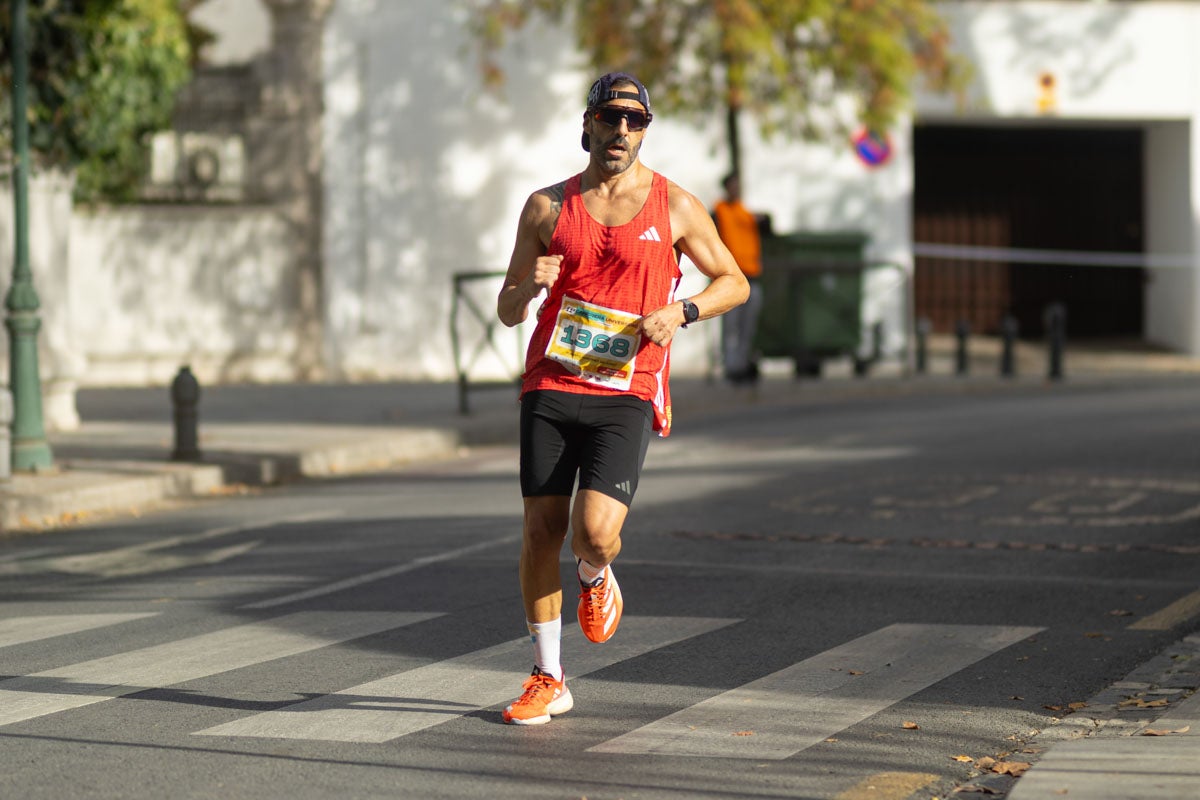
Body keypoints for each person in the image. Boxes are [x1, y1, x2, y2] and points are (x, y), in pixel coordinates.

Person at [495, 72, 749, 725]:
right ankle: (548, 676)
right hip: (552, 380)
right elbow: (507, 308)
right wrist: (528, 287)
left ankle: (595, 573)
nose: (623, 130)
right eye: (611, 117)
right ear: (589, 125)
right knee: (540, 531)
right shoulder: (546, 207)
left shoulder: (676, 206)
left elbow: (734, 282)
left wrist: (682, 310)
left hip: (626, 387)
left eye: (637, 121)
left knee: (594, 534)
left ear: (644, 131)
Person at [712, 172, 764, 384]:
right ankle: (731, 366)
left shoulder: (745, 213)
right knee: (731, 326)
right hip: (729, 277)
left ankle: (742, 364)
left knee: (747, 326)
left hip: (751, 276)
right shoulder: (719, 211)